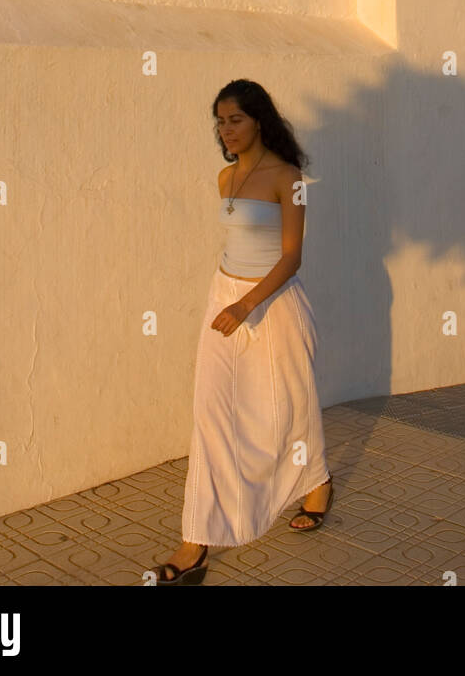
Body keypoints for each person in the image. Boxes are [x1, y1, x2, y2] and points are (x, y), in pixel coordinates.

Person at [154, 78, 333, 585]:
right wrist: (226, 297)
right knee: (211, 413)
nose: (225, 130)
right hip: (225, 298)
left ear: (259, 120)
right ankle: (196, 541)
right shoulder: (225, 179)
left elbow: (292, 257)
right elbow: (235, 245)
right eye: (220, 121)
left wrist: (247, 303)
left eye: (235, 119)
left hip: (272, 303)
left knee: (290, 402)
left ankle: (316, 481)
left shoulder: (288, 176)